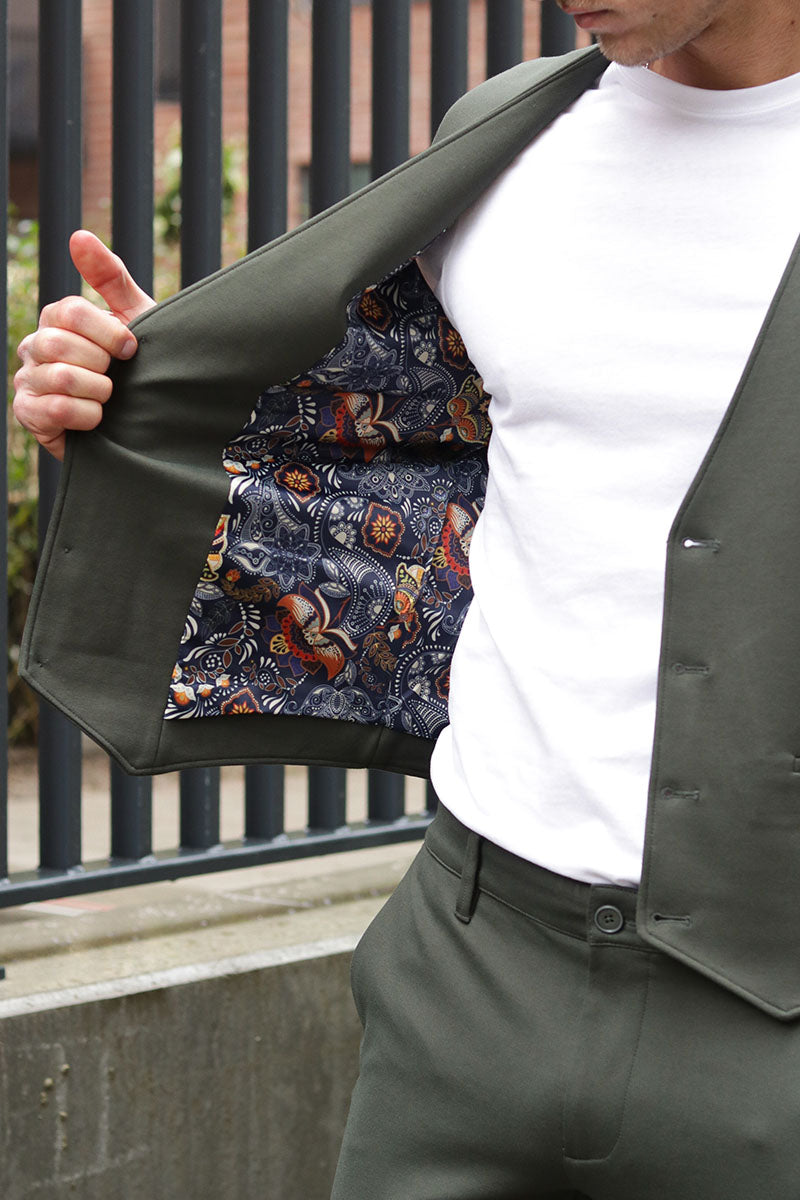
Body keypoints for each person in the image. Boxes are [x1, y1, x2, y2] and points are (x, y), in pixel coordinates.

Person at [14, 2, 800, 1195]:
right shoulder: (509, 139)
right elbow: (386, 439)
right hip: (468, 968)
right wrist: (145, 391)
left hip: (768, 1002)